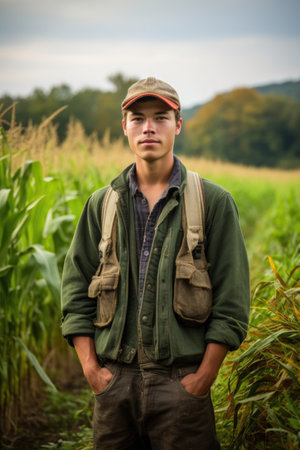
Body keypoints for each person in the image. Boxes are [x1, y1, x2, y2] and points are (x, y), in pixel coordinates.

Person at [61, 77, 250, 449]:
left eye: (161, 117)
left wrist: (202, 379)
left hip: (182, 385)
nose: (149, 127)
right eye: (138, 118)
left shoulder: (213, 201)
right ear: (125, 127)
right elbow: (75, 289)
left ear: (178, 124)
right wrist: (93, 371)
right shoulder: (102, 203)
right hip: (114, 384)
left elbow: (232, 300)